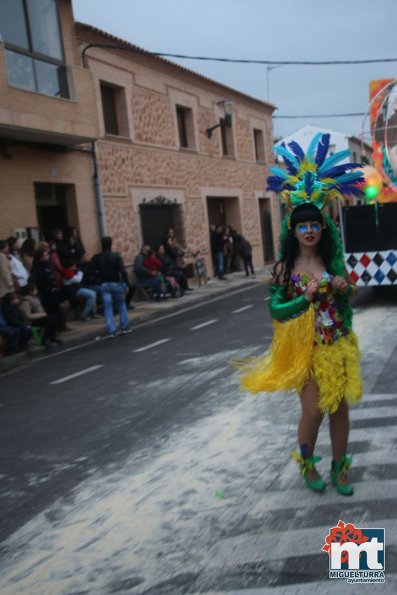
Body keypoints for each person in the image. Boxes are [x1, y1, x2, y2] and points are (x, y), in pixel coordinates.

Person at [239, 132, 364, 496]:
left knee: (339, 408)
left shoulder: (332, 260)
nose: (309, 230)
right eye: (302, 226)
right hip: (305, 350)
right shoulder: (283, 268)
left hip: (336, 344)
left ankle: (340, 468)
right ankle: (307, 464)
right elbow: (275, 311)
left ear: (322, 228)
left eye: (314, 225)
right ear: (293, 230)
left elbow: (352, 294)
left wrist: (344, 288)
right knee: (314, 411)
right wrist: (304, 300)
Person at [91, 236, 132, 337]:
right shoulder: (116, 256)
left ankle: (111, 330)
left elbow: (92, 271)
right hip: (116, 283)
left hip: (104, 284)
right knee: (121, 304)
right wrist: (126, 284)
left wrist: (97, 281)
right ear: (111, 244)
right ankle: (124, 326)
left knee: (107, 307)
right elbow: (123, 271)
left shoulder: (97, 257)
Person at [20, 283, 60, 349]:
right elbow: (28, 315)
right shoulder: (26, 300)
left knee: (53, 318)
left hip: (39, 317)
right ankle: (44, 340)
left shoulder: (35, 298)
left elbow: (40, 308)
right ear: (30, 291)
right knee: (49, 320)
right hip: (31, 321)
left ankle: (52, 337)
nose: (36, 291)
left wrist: (43, 314)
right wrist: (41, 315)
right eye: (35, 290)